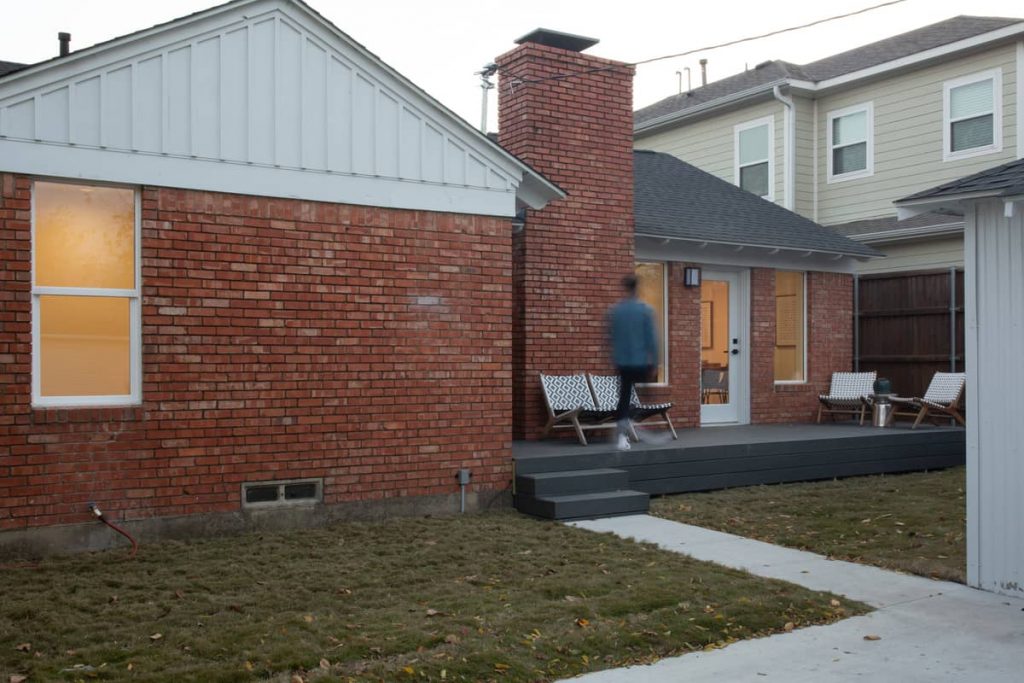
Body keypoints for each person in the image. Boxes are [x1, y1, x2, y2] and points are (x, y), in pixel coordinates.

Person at [607, 275, 659, 451]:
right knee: (646, 392)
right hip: (640, 361)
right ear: (637, 289)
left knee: (624, 396)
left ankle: (622, 434)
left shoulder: (615, 311)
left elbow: (610, 337)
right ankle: (631, 419)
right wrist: (655, 362)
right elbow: (652, 339)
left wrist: (612, 358)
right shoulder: (645, 310)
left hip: (622, 362)